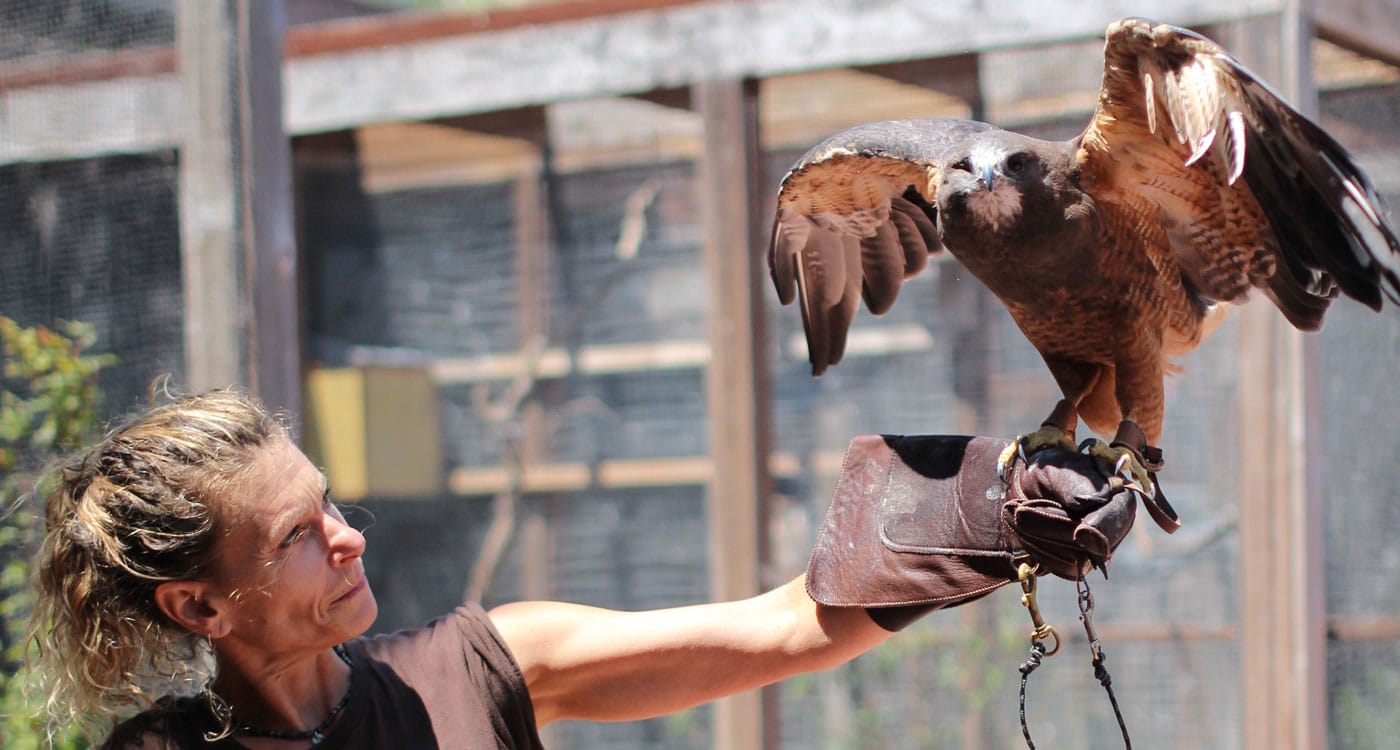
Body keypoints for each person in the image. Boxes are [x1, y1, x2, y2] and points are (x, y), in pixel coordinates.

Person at [24, 388, 1137, 748]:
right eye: (297, 537)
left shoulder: (480, 668)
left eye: (326, 503)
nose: (348, 535)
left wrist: (985, 514)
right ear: (199, 604)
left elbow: (789, 626)